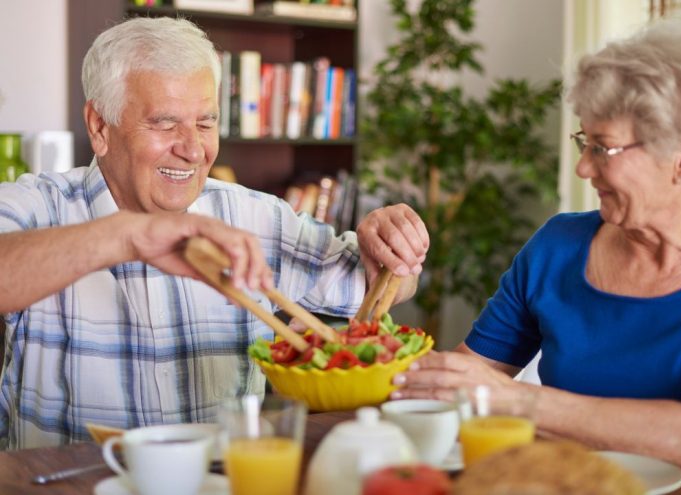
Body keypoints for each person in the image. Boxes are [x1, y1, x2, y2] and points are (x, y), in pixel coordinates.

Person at [0, 17, 429, 450]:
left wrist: (393, 246)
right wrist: (127, 236)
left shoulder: (254, 216)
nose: (192, 149)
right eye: (165, 124)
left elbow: (384, 283)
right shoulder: (39, 206)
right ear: (98, 126)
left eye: (205, 123)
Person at [393, 21, 681, 472]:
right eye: (583, 142)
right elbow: (468, 380)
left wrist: (519, 402)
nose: (583, 169)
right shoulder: (558, 245)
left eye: (602, 148)